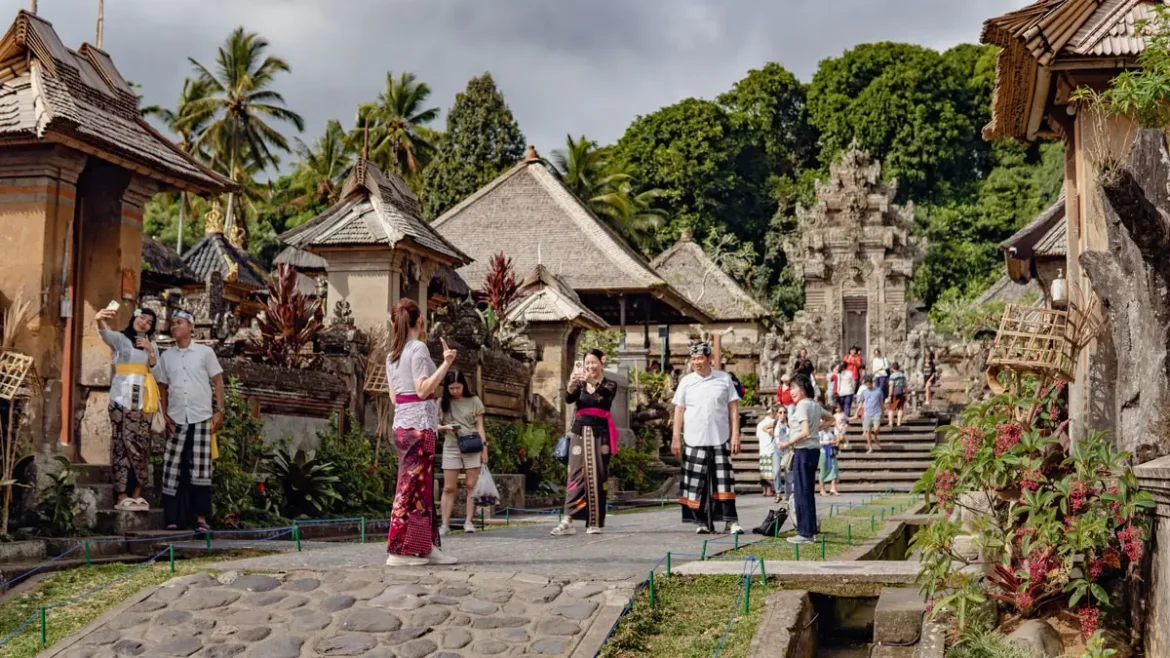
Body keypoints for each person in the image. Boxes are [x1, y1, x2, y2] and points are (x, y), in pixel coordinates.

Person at [384, 298, 458, 566]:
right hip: (418, 427)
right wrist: (446, 364)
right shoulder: (418, 349)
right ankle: (399, 549)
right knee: (410, 489)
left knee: (420, 491)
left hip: (404, 425)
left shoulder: (391, 355)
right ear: (420, 321)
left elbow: (395, 397)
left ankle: (424, 545)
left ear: (394, 323)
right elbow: (423, 389)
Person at [155, 310, 224, 533]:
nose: (175, 326)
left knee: (201, 469)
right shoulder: (167, 356)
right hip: (176, 417)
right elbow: (163, 387)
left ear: (190, 327)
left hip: (201, 416)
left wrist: (220, 410)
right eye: (172, 323)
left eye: (179, 323)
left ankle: (201, 519)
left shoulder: (205, 353)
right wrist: (164, 414)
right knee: (172, 467)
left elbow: (218, 381)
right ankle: (172, 518)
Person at [672, 342, 744, 535]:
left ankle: (731, 521)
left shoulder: (723, 379)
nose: (697, 362)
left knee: (724, 479)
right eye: (693, 359)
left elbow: (733, 408)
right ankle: (701, 521)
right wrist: (675, 437)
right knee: (696, 482)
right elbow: (679, 410)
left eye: (700, 358)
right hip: (694, 437)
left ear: (709, 359)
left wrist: (736, 434)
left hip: (720, 436)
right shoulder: (686, 381)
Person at [96, 306, 162, 512]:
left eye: (149, 322)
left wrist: (150, 351)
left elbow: (157, 371)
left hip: (143, 400)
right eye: (141, 317)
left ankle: (137, 494)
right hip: (121, 398)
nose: (144, 322)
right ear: (134, 317)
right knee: (121, 445)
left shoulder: (152, 345)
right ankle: (122, 494)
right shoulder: (121, 339)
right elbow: (105, 334)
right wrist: (99, 319)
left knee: (141, 445)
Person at [553, 348, 618, 536]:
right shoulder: (581, 384)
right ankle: (568, 519)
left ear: (602, 361)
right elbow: (568, 399)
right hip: (579, 432)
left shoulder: (609, 384)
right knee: (575, 474)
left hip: (600, 433)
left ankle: (594, 521)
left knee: (598, 475)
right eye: (587, 363)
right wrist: (572, 384)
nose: (590, 366)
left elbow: (604, 400)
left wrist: (592, 382)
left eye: (593, 362)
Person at [773, 374, 833, 544]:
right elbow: (831, 419)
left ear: (804, 388)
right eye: (790, 388)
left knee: (801, 492)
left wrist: (787, 443)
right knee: (807, 492)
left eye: (794, 388)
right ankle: (810, 530)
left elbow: (805, 431)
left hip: (803, 451)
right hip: (813, 451)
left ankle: (805, 533)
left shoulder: (801, 406)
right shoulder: (814, 405)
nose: (791, 392)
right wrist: (818, 429)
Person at [438, 370, 488, 536]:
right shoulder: (442, 402)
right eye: (452, 388)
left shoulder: (474, 401)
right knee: (449, 486)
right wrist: (446, 427)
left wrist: (484, 448)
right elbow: (433, 425)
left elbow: (480, 426)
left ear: (463, 386)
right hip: (452, 445)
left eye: (458, 387)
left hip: (472, 445)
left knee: (471, 485)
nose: (455, 391)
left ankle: (469, 520)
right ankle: (445, 524)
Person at [852, 374, 884, 453]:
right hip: (867, 413)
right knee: (868, 432)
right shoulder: (864, 392)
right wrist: (856, 412)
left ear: (871, 383)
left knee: (877, 428)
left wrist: (883, 411)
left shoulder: (878, 390)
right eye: (866, 384)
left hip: (877, 412)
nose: (868, 385)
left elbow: (881, 402)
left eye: (869, 383)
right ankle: (870, 448)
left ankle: (875, 436)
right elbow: (861, 403)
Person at [771, 407, 792, 504]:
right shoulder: (775, 423)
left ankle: (788, 495)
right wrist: (770, 433)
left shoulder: (790, 424)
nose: (782, 414)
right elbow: (764, 428)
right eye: (780, 412)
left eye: (784, 412)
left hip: (787, 450)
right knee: (776, 471)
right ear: (777, 414)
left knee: (788, 474)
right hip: (777, 450)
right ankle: (778, 493)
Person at [756, 408, 778, 498]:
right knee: (769, 471)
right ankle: (769, 490)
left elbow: (758, 437)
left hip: (762, 449)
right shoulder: (773, 422)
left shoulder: (760, 424)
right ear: (772, 414)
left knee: (764, 470)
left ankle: (764, 490)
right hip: (770, 449)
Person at [818, 412, 840, 497]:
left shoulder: (830, 431)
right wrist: (829, 442)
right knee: (823, 470)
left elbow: (836, 436)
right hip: (823, 452)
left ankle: (833, 487)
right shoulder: (820, 432)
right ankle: (822, 489)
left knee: (834, 467)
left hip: (831, 451)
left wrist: (834, 442)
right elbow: (819, 442)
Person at [887, 362, 909, 428]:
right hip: (902, 393)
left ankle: (890, 423)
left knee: (891, 408)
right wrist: (906, 394)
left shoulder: (892, 376)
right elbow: (906, 386)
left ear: (892, 368)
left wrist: (889, 395)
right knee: (900, 408)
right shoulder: (903, 375)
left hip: (895, 392)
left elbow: (891, 386)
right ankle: (899, 423)